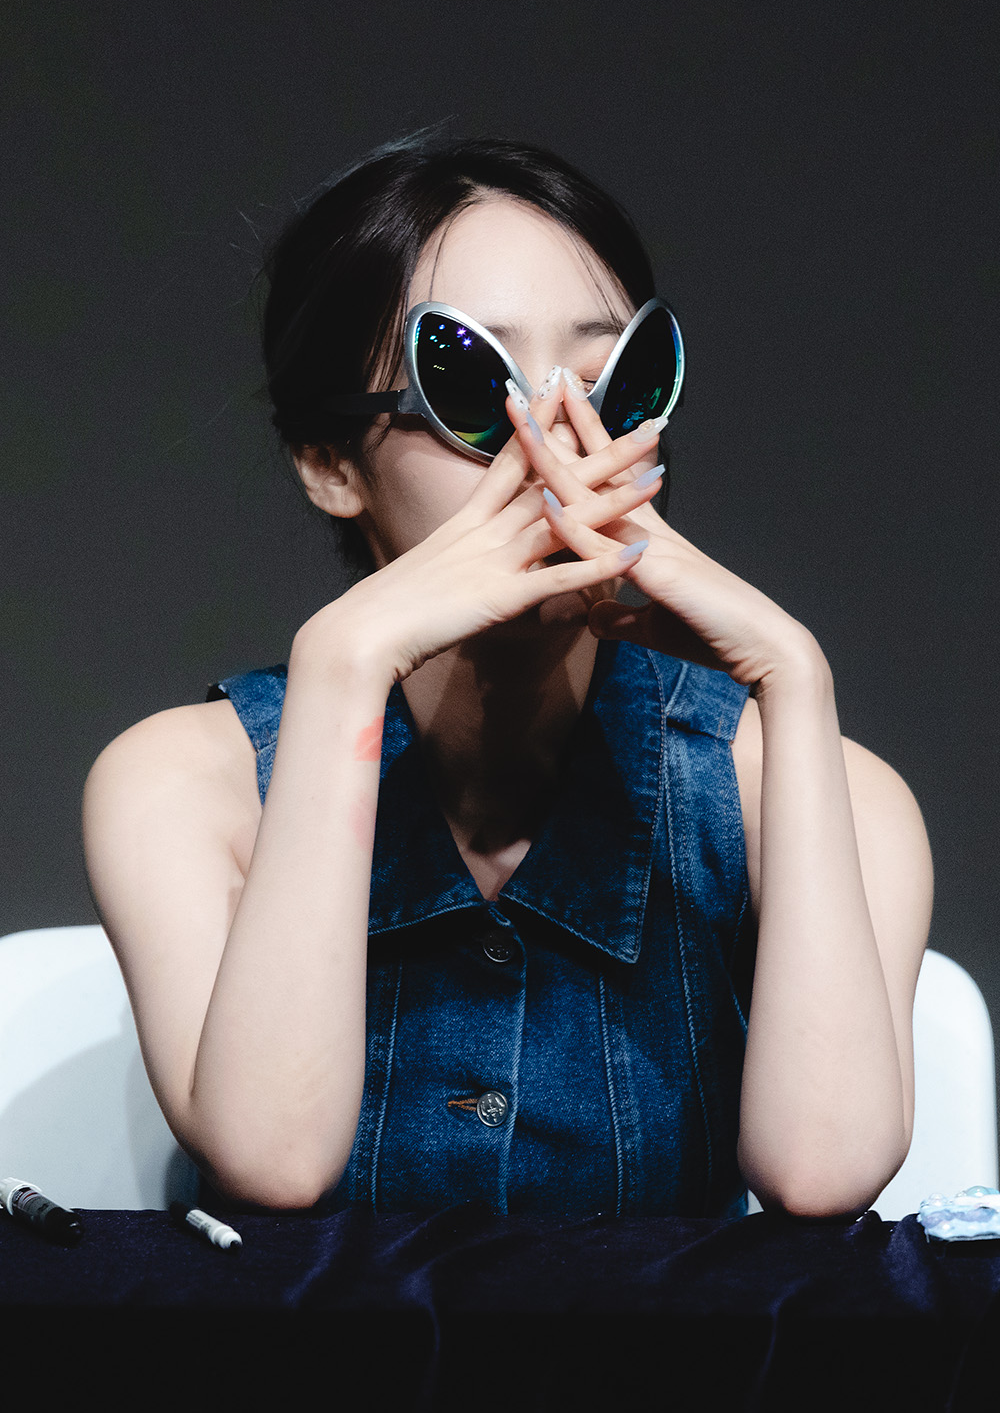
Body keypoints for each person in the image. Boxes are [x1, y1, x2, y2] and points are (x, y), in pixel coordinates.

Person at [81, 134, 933, 1219]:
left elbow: (823, 1177)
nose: (561, 446)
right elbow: (275, 1163)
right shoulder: (179, 786)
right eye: (475, 389)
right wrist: (341, 668)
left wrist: (794, 680)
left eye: (615, 385)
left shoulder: (819, 787)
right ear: (330, 462)